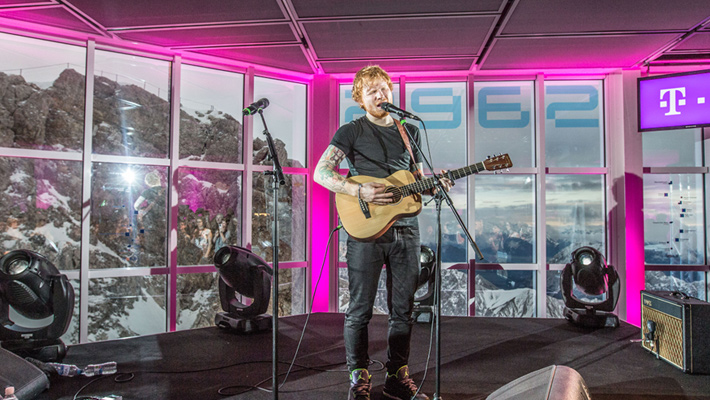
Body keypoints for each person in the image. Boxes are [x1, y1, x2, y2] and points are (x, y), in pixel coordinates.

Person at [314, 65, 452, 400]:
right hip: (366, 229)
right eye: (372, 90)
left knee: (403, 309)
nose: (380, 94)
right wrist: (358, 191)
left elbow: (415, 182)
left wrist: (436, 185)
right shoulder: (351, 130)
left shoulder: (409, 132)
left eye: (384, 88)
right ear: (360, 98)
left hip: (406, 230)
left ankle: (396, 376)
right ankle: (359, 377)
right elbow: (321, 172)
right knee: (360, 308)